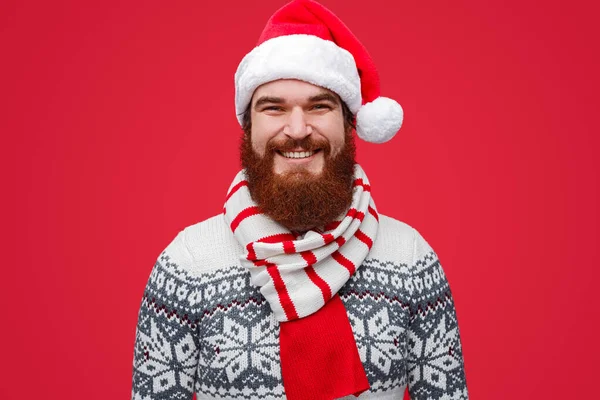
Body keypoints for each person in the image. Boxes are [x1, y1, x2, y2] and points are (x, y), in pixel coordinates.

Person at [130, 0, 469, 399]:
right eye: (273, 108)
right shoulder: (186, 265)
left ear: (348, 123)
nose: (297, 129)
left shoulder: (411, 259)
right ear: (248, 127)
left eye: (319, 106)